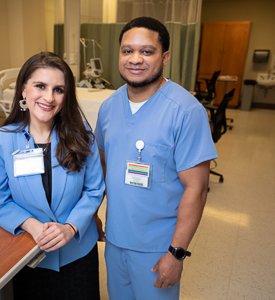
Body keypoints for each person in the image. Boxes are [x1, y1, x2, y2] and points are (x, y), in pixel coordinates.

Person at [94, 17, 218, 299]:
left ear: (165, 57)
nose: (135, 59)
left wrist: (176, 254)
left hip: (158, 247)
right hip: (115, 239)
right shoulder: (109, 107)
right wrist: (92, 212)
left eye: (146, 51)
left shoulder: (186, 111)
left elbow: (196, 189)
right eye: (127, 51)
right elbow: (102, 166)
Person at [0, 52, 105, 300]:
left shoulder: (83, 137)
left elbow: (93, 190)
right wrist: (33, 226)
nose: (49, 97)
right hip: (29, 253)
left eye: (58, 89)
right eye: (40, 86)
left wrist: (70, 228)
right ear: (23, 90)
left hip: (78, 253)